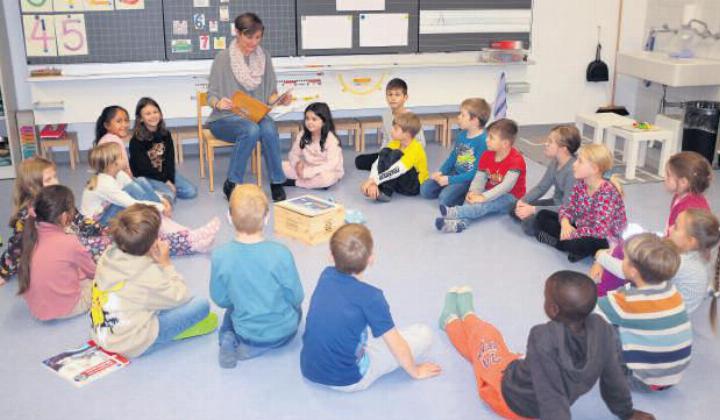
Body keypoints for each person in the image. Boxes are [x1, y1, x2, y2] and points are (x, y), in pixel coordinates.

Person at [439, 272, 655, 420]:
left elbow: (551, 398)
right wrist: (627, 413)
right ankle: (455, 321)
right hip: (528, 378)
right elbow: (614, 379)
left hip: (509, 396)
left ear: (552, 309)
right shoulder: (603, 329)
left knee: (487, 337)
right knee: (491, 353)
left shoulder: (542, 338)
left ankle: (459, 317)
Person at [301, 224, 440, 391]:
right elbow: (396, 345)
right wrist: (416, 371)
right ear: (371, 259)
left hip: (309, 368)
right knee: (424, 333)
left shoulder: (326, 275)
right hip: (349, 379)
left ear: (331, 256)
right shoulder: (372, 297)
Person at [90, 204, 218, 358]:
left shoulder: (107, 255)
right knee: (201, 305)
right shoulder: (146, 273)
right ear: (151, 244)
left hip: (103, 334)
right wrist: (166, 264)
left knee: (153, 299)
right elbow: (181, 296)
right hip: (129, 343)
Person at [591, 150, 713, 295]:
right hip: (673, 247)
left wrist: (602, 257)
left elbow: (679, 246)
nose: (664, 178)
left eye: (668, 175)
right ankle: (606, 274)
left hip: (673, 255)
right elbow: (674, 233)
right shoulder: (682, 197)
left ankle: (602, 293)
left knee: (627, 252)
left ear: (683, 182)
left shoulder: (689, 209)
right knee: (627, 245)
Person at [211, 184, 304, 368]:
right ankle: (258, 345)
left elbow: (221, 299)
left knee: (230, 312)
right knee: (298, 310)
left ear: (229, 217)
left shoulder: (220, 255)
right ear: (267, 218)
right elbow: (296, 296)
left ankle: (229, 339)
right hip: (284, 332)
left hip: (246, 332)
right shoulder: (281, 253)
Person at [206, 13, 293, 202]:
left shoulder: (264, 57)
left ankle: (277, 182)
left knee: (269, 128)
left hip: (254, 115)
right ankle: (232, 182)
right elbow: (211, 95)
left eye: (258, 37)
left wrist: (280, 99)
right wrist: (218, 102)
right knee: (251, 130)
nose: (254, 42)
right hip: (224, 118)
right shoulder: (223, 58)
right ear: (237, 33)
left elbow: (271, 93)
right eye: (249, 37)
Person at [596, 233, 691, 391]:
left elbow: (587, 309)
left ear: (633, 272)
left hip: (640, 380)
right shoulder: (672, 291)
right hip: (671, 377)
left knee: (596, 327)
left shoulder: (626, 300)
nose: (621, 260)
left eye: (624, 258)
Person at [1, 157, 106, 284]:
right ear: (32, 186)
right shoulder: (27, 215)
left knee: (105, 241)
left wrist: (97, 228)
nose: (56, 181)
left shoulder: (59, 198)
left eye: (55, 176)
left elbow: (79, 219)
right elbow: (16, 247)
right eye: (48, 180)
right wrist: (3, 273)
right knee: (100, 250)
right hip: (50, 254)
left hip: (69, 243)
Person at [535, 144, 626, 262]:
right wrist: (565, 224)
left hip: (603, 237)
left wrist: (572, 234)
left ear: (594, 169)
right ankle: (572, 247)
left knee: (577, 244)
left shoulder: (607, 192)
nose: (574, 164)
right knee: (542, 215)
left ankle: (560, 244)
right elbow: (568, 208)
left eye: (580, 161)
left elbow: (600, 230)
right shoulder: (580, 183)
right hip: (581, 228)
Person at [435, 118, 526, 233]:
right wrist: (473, 192)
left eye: (491, 138)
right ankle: (460, 225)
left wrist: (483, 197)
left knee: (485, 204)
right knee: (473, 199)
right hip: (489, 191)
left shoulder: (516, 160)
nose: (487, 140)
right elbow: (479, 178)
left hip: (510, 197)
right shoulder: (487, 155)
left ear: (505, 143)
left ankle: (456, 212)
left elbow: (505, 187)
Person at [18, 186, 95, 321]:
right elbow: (93, 272)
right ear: (65, 216)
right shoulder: (70, 242)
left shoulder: (31, 234)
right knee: (97, 280)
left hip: (37, 309)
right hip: (67, 308)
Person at [511, 125, 579, 236]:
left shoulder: (573, 172)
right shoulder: (555, 162)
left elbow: (568, 209)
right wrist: (523, 200)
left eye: (550, 142)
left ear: (563, 149)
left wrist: (533, 209)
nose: (545, 144)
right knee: (514, 207)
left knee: (529, 224)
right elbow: (541, 187)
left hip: (568, 213)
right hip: (555, 203)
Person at [421, 98, 490, 207]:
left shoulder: (483, 141)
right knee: (425, 190)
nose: (458, 117)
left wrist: (449, 180)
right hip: (455, 172)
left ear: (474, 121)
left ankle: (466, 194)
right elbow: (453, 157)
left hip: (468, 180)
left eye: (462, 115)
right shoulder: (462, 135)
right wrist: (441, 172)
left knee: (444, 199)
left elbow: (475, 173)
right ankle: (450, 188)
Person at [130, 97, 198, 201]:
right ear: (141, 118)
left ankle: (156, 193)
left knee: (191, 191)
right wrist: (166, 182)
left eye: (155, 112)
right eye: (148, 114)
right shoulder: (136, 140)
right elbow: (144, 168)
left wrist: (169, 179)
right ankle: (156, 192)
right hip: (147, 176)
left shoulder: (165, 134)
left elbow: (169, 161)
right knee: (169, 195)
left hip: (164, 172)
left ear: (160, 114)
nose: (153, 116)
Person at [355, 78, 427, 170]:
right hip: (391, 154)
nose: (393, 98)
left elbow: (421, 144)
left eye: (397, 95)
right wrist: (382, 154)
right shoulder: (386, 116)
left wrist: (404, 152)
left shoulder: (411, 117)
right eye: (390, 94)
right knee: (359, 160)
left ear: (405, 97)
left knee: (394, 168)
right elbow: (386, 139)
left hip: (407, 156)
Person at [361, 112, 428, 202]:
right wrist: (372, 181)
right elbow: (377, 162)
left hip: (414, 186)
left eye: (395, 129)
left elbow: (398, 169)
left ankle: (386, 192)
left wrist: (375, 181)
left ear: (407, 134)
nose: (391, 131)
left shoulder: (416, 148)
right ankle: (378, 188)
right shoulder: (395, 143)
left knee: (396, 154)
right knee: (384, 152)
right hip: (399, 182)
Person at [282, 102, 344, 189]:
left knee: (326, 178)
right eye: (307, 119)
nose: (309, 122)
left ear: (324, 122)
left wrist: (308, 173)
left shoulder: (331, 139)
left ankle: (295, 183)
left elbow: (331, 164)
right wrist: (297, 164)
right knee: (280, 166)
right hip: (308, 167)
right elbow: (293, 153)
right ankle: (311, 183)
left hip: (326, 171)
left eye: (314, 119)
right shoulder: (302, 134)